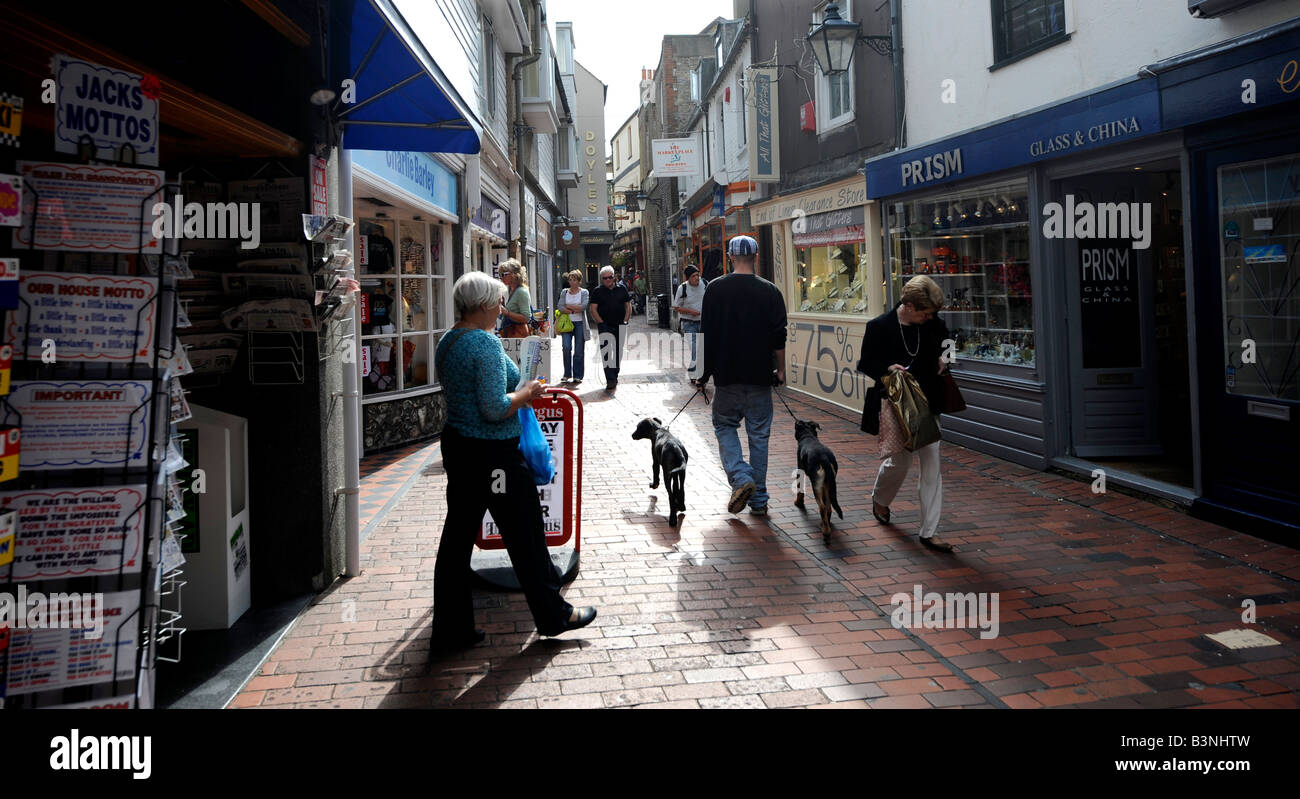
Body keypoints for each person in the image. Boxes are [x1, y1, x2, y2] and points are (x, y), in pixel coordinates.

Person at [431, 272, 596, 652]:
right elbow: (494, 408)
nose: (501, 309)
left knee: (456, 540)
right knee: (526, 535)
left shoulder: (448, 340)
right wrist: (527, 393)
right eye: (498, 302)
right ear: (486, 305)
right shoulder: (483, 344)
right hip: (494, 456)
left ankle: (452, 629)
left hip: (459, 447)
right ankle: (554, 615)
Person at [856, 275, 954, 552]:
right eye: (924, 313)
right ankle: (880, 498)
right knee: (900, 463)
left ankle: (929, 532)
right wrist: (887, 368)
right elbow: (866, 363)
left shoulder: (934, 323)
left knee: (932, 465)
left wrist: (945, 359)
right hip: (897, 405)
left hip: (929, 401)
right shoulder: (879, 327)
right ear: (908, 306)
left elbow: (949, 342)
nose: (928, 318)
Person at [699, 235, 787, 517]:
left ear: (730, 257)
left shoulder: (714, 289)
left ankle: (740, 477)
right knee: (759, 436)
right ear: (757, 256)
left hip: (727, 376)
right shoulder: (770, 291)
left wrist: (703, 373)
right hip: (760, 375)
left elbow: (707, 335)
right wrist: (780, 369)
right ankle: (759, 500)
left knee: (724, 426)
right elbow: (779, 336)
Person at [589, 264, 631, 391]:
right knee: (607, 353)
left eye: (610, 277)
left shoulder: (622, 289)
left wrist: (625, 321)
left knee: (618, 351)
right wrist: (601, 323)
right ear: (601, 279)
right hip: (605, 325)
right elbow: (593, 309)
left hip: (620, 324)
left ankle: (615, 373)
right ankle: (610, 379)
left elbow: (628, 306)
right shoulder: (597, 291)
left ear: (614, 277)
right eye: (605, 278)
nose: (607, 280)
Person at [673, 265, 706, 384]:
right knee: (695, 349)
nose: (697, 278)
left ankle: (695, 373)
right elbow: (676, 307)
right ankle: (697, 375)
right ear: (687, 278)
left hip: (703, 322)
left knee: (703, 350)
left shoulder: (705, 284)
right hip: (689, 323)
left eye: (698, 274)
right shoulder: (683, 288)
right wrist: (691, 312)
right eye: (693, 276)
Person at [558, 269, 589, 384]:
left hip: (580, 323)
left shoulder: (584, 292)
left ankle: (578, 375)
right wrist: (572, 310)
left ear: (579, 281)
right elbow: (560, 306)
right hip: (567, 324)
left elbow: (583, 307)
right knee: (566, 347)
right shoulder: (564, 292)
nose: (571, 282)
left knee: (579, 350)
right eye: (570, 280)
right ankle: (567, 374)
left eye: (574, 280)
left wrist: (568, 306)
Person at [498, 259, 531, 338]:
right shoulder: (514, 290)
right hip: (511, 335)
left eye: (503, 274)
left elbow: (526, 318)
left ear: (513, 274)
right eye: (500, 275)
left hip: (518, 335)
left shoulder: (521, 292)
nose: (501, 278)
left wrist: (507, 313)